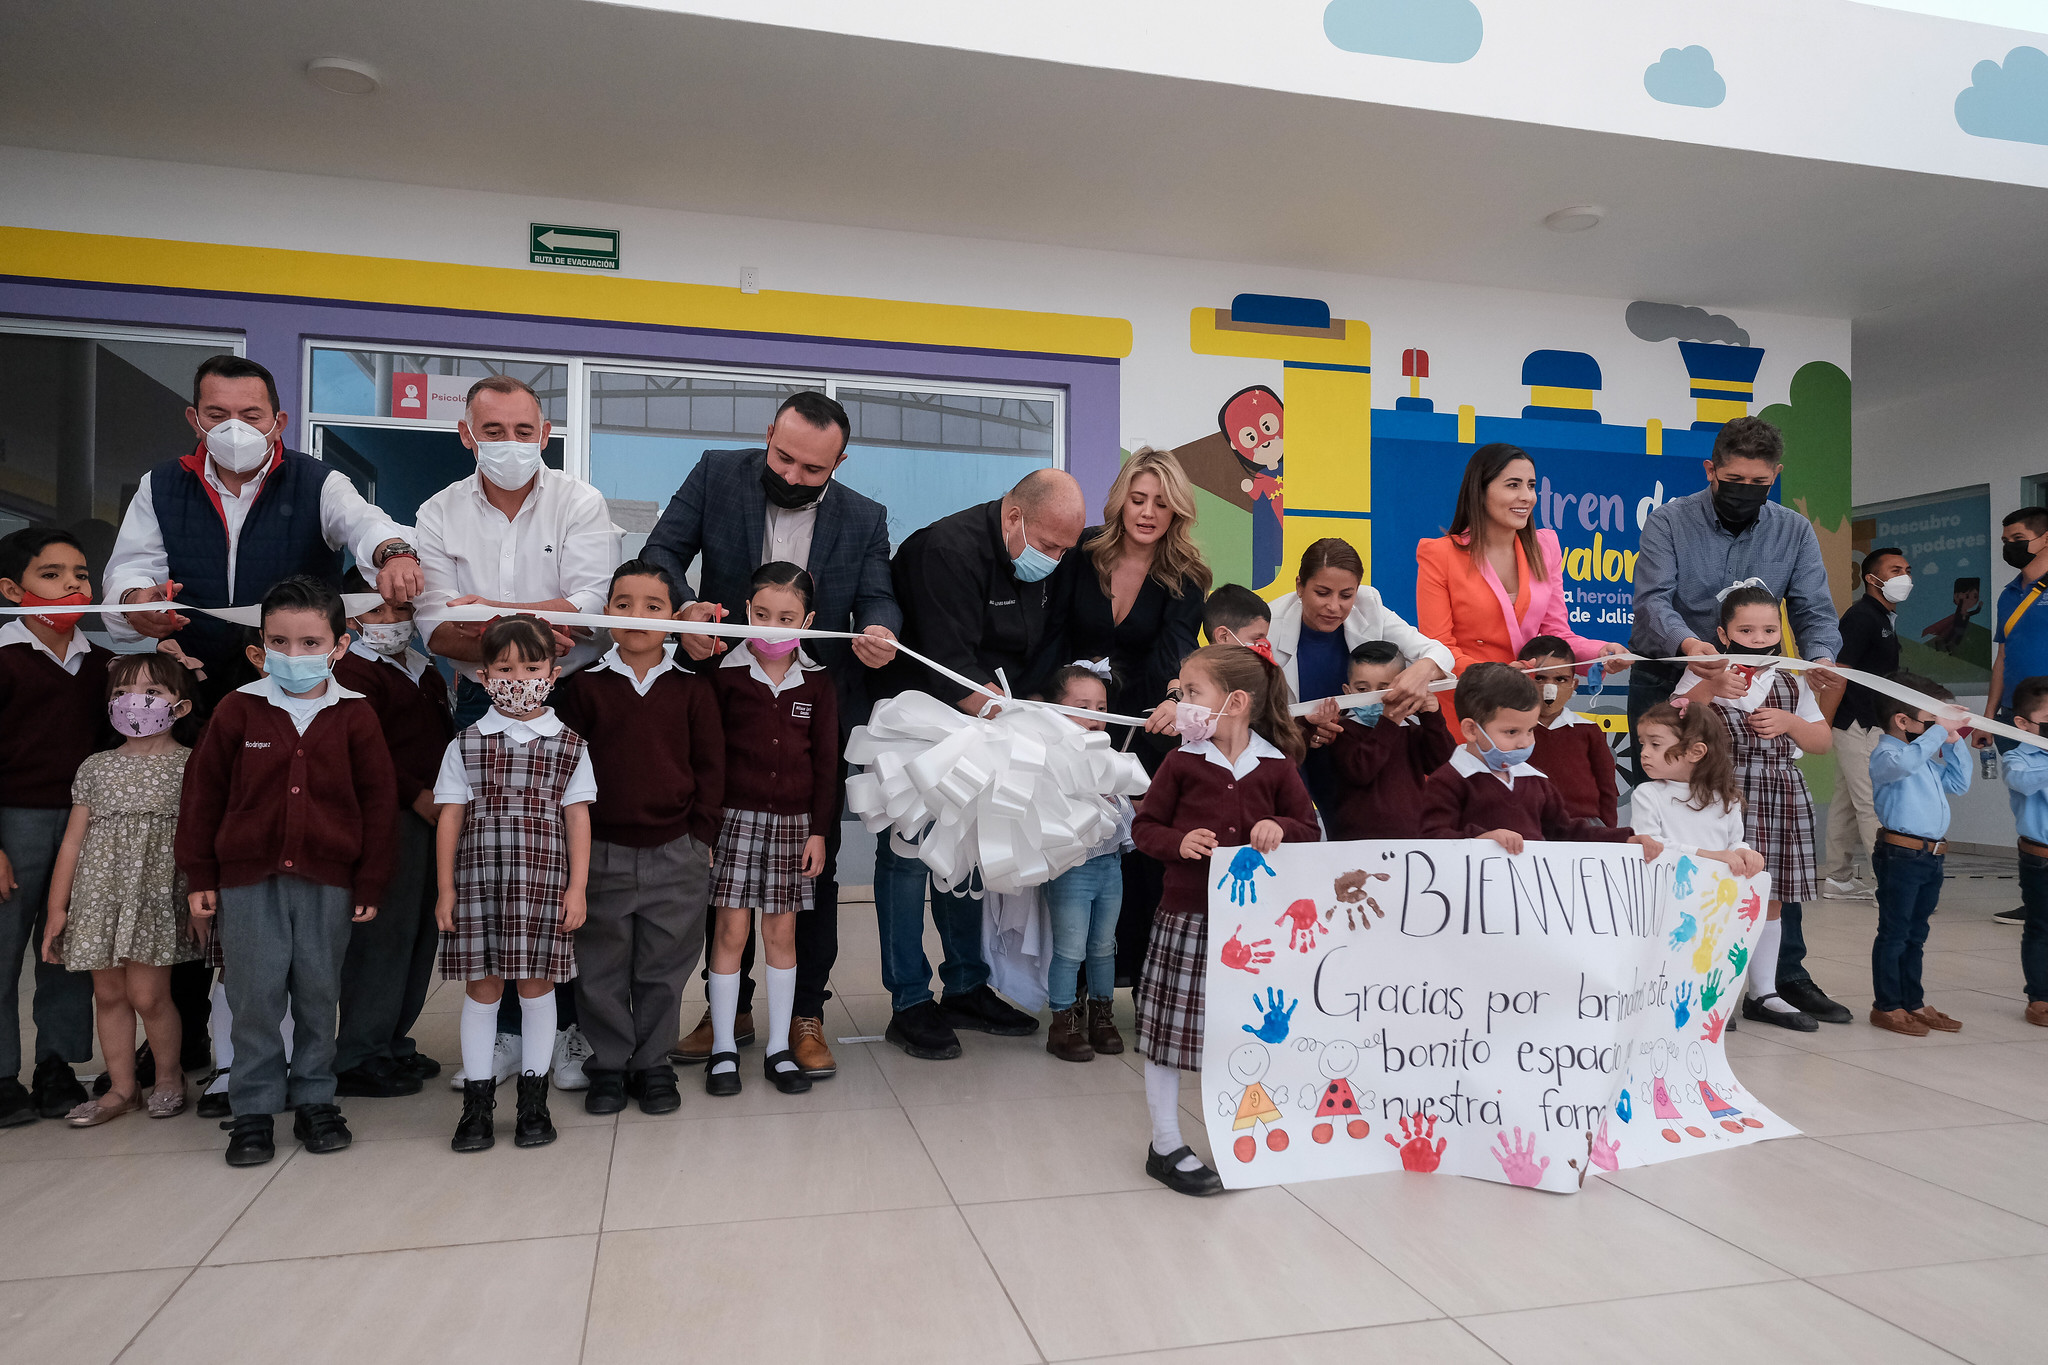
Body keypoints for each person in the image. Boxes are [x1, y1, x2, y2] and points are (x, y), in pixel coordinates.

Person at [643, 390, 899, 1082]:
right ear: (767, 437)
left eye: (810, 469)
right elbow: (661, 553)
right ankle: (731, 1012)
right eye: (781, 456)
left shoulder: (865, 516)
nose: (789, 475)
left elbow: (877, 594)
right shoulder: (715, 472)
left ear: (840, 463)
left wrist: (881, 630)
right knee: (718, 867)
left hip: (814, 705)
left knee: (810, 871)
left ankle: (806, 1015)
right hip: (723, 700)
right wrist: (684, 606)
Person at [412, 374, 617, 1088]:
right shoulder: (437, 513)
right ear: (466, 435)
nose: (509, 445)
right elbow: (437, 626)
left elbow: (589, 611)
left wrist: (489, 614)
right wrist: (533, 623)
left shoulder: (580, 502)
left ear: (546, 434)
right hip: (480, 705)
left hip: (576, 699)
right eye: (492, 431)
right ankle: (502, 1037)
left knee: (560, 873)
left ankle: (563, 1031)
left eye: (523, 431)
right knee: (495, 875)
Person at [176, 575, 397, 1167]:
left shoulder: (356, 716)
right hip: (248, 883)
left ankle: (314, 1096)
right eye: (280, 642)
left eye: (308, 643)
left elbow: (378, 803)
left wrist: (370, 879)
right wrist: (201, 876)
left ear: (339, 646)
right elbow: (203, 796)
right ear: (259, 650)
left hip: (329, 882)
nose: (293, 656)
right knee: (254, 993)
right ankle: (251, 1107)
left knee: (319, 993)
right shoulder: (237, 710)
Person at [1629, 417, 1843, 1019]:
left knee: (1768, 842)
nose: (1747, 488)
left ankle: (1781, 978)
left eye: (1759, 480)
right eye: (1734, 478)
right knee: (1678, 825)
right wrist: (1694, 651)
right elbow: (1651, 604)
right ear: (1711, 471)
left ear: (1775, 476)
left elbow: (1814, 609)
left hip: (1760, 683)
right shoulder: (1670, 521)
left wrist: (1821, 661)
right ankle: (1670, 967)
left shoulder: (1794, 530)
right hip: (1676, 678)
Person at [874, 467, 1085, 1060]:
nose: (1056, 559)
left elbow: (1041, 648)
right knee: (910, 857)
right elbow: (945, 659)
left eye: (1065, 550)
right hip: (923, 725)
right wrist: (1017, 719)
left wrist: (1035, 710)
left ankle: (966, 984)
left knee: (966, 855)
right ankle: (909, 999)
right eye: (1049, 546)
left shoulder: (1040, 559)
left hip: (990, 724)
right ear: (1013, 516)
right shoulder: (947, 549)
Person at [103, 355, 420, 703]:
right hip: (191, 683)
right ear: (195, 420)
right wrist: (134, 601)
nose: (234, 429)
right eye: (217, 415)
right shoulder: (161, 485)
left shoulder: (318, 482)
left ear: (278, 422)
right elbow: (131, 568)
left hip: (296, 684)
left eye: (251, 416)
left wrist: (394, 553)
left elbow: (363, 521)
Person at [1130, 643, 1318, 1195]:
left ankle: (1251, 1132)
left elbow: (1309, 830)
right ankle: (1164, 1143)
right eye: (1182, 692)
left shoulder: (1277, 766)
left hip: (1256, 928)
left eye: (1192, 693)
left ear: (1235, 702)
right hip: (1187, 917)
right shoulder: (1182, 760)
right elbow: (1145, 829)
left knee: (1251, 1030)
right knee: (1170, 1031)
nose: (1181, 703)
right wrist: (1177, 841)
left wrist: (1281, 828)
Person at [1030, 447, 1209, 992]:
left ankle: (1123, 982)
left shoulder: (1187, 576)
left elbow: (1176, 651)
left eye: (1160, 502)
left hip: (1141, 730)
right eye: (1138, 499)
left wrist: (1177, 698)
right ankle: (1064, 988)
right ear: (1120, 501)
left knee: (1135, 858)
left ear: (1176, 510)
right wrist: (1041, 703)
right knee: (1069, 852)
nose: (1148, 512)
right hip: (1071, 724)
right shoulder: (1083, 550)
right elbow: (1052, 630)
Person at [553, 561, 722, 1116]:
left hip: (678, 853)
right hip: (599, 852)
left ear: (674, 618)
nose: (637, 616)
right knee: (599, 967)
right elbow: (565, 773)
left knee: (663, 968)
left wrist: (700, 839)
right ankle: (607, 1065)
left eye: (653, 606)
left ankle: (652, 1064)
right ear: (606, 613)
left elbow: (710, 770)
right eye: (622, 603)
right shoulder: (583, 689)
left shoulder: (693, 691)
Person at [434, 616, 595, 1154]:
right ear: (484, 676)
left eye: (531, 667)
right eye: (505, 668)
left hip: (544, 885)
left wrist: (577, 890)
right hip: (478, 883)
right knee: (482, 988)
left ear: (554, 672)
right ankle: (477, 1108)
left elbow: (577, 819)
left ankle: (534, 1103)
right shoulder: (466, 743)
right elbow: (451, 817)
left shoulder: (570, 744)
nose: (518, 677)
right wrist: (445, 889)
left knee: (536, 986)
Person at [37, 653, 202, 1124]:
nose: (136, 703)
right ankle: (122, 1088)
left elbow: (198, 837)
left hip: (154, 896)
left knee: (149, 995)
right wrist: (57, 908)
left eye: (152, 693)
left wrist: (200, 902)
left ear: (181, 707)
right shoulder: (96, 767)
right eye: (122, 693)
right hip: (98, 897)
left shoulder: (190, 765)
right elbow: (72, 843)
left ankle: (169, 1076)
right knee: (108, 995)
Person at [1675, 583, 1843, 1032]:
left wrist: (1790, 723)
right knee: (1720, 892)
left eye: (1768, 629)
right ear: (1723, 632)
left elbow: (1822, 741)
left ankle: (1763, 992)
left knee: (1772, 895)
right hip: (1721, 791)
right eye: (1746, 630)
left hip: (1781, 791)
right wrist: (1710, 685)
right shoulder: (1705, 671)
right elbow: (1673, 723)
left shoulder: (1792, 678)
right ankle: (1711, 990)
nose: (1758, 637)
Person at [703, 563, 838, 1097]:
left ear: (808, 620)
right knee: (730, 934)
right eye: (762, 615)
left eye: (787, 617)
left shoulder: (820, 682)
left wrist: (820, 831)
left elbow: (827, 764)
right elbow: (710, 759)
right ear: (745, 613)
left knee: (781, 934)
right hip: (733, 824)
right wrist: (709, 829)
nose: (774, 626)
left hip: (794, 827)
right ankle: (722, 1049)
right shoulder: (724, 675)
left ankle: (780, 1047)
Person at [330, 569, 455, 1098]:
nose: (392, 622)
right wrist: (415, 796)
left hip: (435, 818)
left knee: (422, 934)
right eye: (377, 611)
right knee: (383, 939)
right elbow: (367, 752)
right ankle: (359, 1053)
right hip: (393, 817)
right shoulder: (354, 671)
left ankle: (393, 1040)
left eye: (402, 611)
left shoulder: (424, 669)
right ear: (351, 618)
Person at [0, 527, 109, 1126]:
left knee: (65, 950)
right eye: (52, 575)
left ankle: (58, 1066)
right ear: (12, 590)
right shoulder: (3, 657)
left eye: (81, 575)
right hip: (12, 825)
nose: (72, 585)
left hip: (83, 824)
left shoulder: (101, 664)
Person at [1415, 442, 1630, 727]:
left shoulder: (1546, 547)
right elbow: (1440, 646)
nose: (1526, 496)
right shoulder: (1438, 554)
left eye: (1531, 485)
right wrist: (1498, 676)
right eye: (1513, 485)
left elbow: (1555, 634)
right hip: (1466, 704)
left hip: (1529, 707)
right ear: (1479, 491)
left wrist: (1601, 653)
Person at [1268, 539, 1455, 816]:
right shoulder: (1269, 623)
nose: (1334, 606)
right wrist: (1303, 730)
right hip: (1291, 751)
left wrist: (1422, 670)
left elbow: (1438, 652)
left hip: (1356, 753)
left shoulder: (1369, 607)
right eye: (1322, 593)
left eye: (1346, 595)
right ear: (1299, 586)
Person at [1418, 663, 1657, 857]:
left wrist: (1623, 838)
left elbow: (1564, 830)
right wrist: (1480, 839)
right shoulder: (1448, 781)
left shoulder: (1534, 780)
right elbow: (1431, 840)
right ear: (1471, 730)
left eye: (1530, 730)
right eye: (1511, 732)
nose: (1524, 742)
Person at [1866, 673, 1973, 1037]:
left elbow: (1959, 783)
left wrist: (1954, 740)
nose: (1937, 732)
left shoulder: (1925, 759)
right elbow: (1903, 766)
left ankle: (1912, 1000)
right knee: (1894, 933)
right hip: (1900, 855)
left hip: (1931, 857)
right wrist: (1936, 734)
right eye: (1932, 723)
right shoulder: (1888, 754)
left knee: (1916, 934)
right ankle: (1887, 1005)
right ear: (1902, 721)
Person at [1038, 665, 1134, 1062]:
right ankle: (1062, 1021)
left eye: (1102, 707)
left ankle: (1102, 1017)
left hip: (1110, 865)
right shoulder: (1048, 760)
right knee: (1071, 948)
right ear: (1056, 712)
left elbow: (1126, 812)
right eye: (1083, 707)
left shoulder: (1112, 756)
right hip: (1072, 868)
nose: (1096, 717)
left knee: (1104, 946)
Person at [1823, 547, 1910, 901]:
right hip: (1857, 724)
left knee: (1847, 802)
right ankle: (1889, 885)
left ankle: (1838, 878)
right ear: (1872, 578)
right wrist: (1822, 722)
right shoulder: (1861, 617)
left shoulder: (1885, 618)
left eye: (1906, 569)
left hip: (1870, 722)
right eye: (1894, 570)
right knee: (1872, 804)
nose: (1904, 576)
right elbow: (1838, 671)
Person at [1981, 508, 2048, 926]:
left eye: (2018, 538)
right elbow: (2002, 658)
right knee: (2026, 802)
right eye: (2006, 539)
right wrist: (1987, 720)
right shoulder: (2009, 592)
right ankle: (2036, 898)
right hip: (2013, 718)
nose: (2011, 546)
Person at [1325, 641, 1455, 842]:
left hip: (1414, 839)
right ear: (1347, 690)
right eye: (1362, 689)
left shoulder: (1410, 729)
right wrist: (1390, 720)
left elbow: (1443, 764)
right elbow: (1361, 772)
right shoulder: (1341, 730)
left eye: (1384, 689)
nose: (1373, 698)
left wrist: (1432, 717)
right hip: (1358, 841)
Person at [1629, 701, 1765, 880]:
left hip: (1712, 895)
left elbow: (1734, 843)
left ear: (1696, 752)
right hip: (1666, 892)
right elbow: (1650, 845)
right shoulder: (1647, 794)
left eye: (1655, 744)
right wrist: (1709, 855)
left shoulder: (1727, 797)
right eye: (1642, 744)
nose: (1644, 753)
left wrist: (1745, 853)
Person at [1519, 636, 1618, 827]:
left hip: (1584, 829)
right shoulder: (1511, 732)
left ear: (1574, 685)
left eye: (1560, 679)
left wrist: (1608, 831)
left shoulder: (1588, 730)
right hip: (1529, 828)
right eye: (1539, 678)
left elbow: (1607, 788)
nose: (1550, 688)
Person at [2001, 675, 2048, 1026]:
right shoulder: (2019, 758)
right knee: (2040, 927)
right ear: (2022, 723)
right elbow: (2023, 783)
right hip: (2040, 858)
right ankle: (2039, 997)